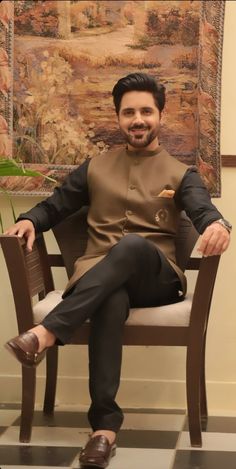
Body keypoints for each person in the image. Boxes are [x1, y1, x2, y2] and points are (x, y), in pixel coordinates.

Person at [4, 73, 231, 468]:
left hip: (157, 280)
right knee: (111, 299)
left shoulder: (181, 174)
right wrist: (28, 220)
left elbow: (202, 209)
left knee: (129, 245)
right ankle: (104, 430)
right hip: (99, 279)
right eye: (129, 112)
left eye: (146, 111)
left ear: (160, 115)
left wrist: (217, 224)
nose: (138, 119)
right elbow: (55, 205)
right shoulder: (94, 167)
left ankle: (47, 332)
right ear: (118, 117)